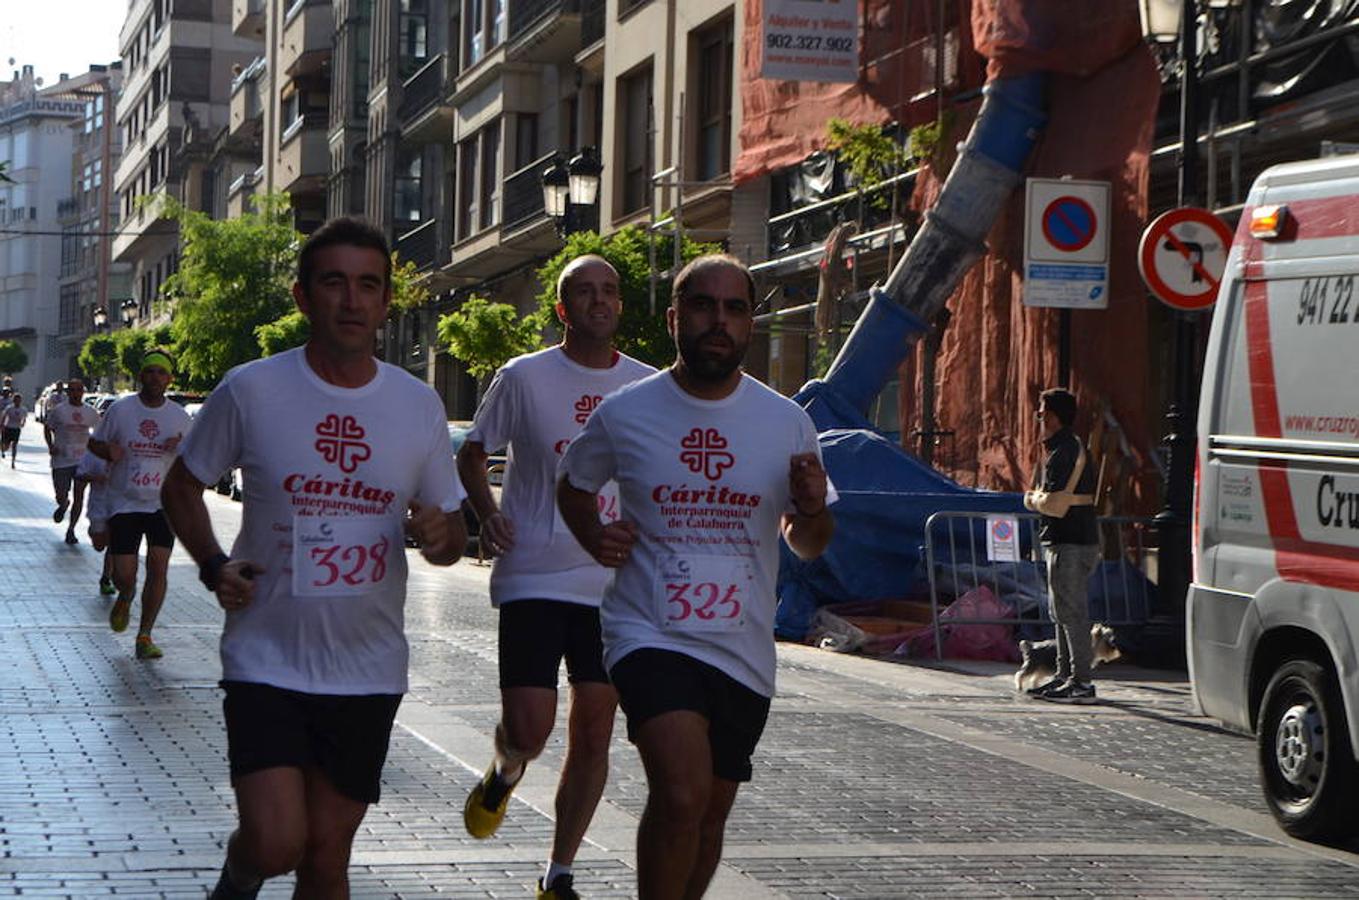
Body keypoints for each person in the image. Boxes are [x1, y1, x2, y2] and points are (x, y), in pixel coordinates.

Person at [161, 216, 468, 900]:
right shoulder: (251, 389)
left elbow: (447, 532)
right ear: (303, 297)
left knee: (326, 857)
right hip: (266, 657)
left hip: (366, 667)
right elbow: (181, 484)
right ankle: (238, 877)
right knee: (275, 843)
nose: (352, 301)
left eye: (368, 286)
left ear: (387, 301)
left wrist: (444, 539)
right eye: (334, 283)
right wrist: (213, 565)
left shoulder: (418, 405)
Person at [557, 254, 835, 899]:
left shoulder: (785, 420)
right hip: (647, 631)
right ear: (676, 317)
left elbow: (809, 541)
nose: (719, 321)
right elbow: (573, 484)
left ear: (751, 323)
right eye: (704, 307)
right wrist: (595, 537)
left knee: (709, 814)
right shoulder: (628, 412)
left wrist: (815, 508)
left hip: (741, 645)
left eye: (735, 308)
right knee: (680, 794)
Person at [458, 255, 654, 899]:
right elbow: (472, 450)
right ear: (562, 309)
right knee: (532, 727)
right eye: (584, 292)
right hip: (534, 573)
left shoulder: (649, 387)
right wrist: (487, 514)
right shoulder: (524, 377)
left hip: (610, 581)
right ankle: (505, 769)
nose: (599, 301)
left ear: (619, 305)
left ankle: (558, 872)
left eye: (609, 291)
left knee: (595, 725)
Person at [89, 354, 190, 659]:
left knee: (158, 567)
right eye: (150, 371)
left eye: (162, 372)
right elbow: (94, 443)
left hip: (163, 504)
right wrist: (107, 449)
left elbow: (195, 456)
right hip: (125, 502)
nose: (156, 377)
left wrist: (181, 446)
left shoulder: (180, 417)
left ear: (169, 379)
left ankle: (145, 635)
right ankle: (126, 594)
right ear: (140, 375)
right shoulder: (120, 410)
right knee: (124, 575)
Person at [1022, 387, 1100, 704]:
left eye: (1041, 413)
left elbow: (1055, 504)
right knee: (1061, 613)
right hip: (1066, 539)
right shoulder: (1065, 448)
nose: (1039, 418)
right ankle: (1064, 675)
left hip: (1071, 540)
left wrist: (1031, 500)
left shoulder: (1063, 451)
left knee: (1072, 613)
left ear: (1053, 417)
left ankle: (1081, 681)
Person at [44, 379, 99, 542]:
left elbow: (101, 432)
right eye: (72, 390)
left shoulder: (91, 412)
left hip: (82, 460)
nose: (75, 393)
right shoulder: (59, 411)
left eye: (79, 390)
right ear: (68, 393)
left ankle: (71, 529)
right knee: (61, 494)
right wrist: (51, 445)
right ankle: (63, 504)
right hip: (61, 459)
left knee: (79, 495)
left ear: (83, 392)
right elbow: (48, 427)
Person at [76, 449, 117, 595]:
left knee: (115, 541)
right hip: (98, 504)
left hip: (120, 504)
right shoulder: (94, 452)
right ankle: (94, 533)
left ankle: (106, 578)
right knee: (100, 545)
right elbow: (80, 474)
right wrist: (95, 478)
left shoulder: (129, 451)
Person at [1, 392, 27, 468]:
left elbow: (24, 418)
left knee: (14, 445)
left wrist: (23, 423)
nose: (17, 402)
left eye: (19, 400)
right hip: (8, 428)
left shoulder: (23, 409)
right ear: (13, 400)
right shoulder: (9, 408)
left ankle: (13, 461)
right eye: (16, 400)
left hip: (16, 429)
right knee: (6, 445)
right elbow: (4, 416)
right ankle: (3, 449)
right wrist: (2, 425)